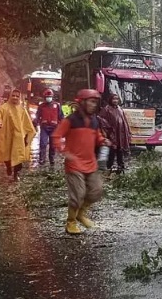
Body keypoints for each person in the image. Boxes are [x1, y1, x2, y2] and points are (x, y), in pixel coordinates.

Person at [52, 89, 111, 235]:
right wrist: (64, 152)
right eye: (91, 101)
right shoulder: (70, 120)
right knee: (78, 194)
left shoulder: (94, 121)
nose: (94, 105)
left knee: (96, 191)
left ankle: (80, 214)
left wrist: (103, 141)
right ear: (82, 102)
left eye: (95, 102)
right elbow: (56, 136)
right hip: (74, 165)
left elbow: (97, 136)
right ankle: (70, 222)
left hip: (90, 163)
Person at [0, 89, 36, 180]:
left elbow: (27, 123)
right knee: (6, 153)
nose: (15, 97)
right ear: (10, 96)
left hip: (19, 137)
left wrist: (27, 136)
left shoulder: (22, 109)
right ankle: (8, 166)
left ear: (19, 97)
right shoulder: (3, 108)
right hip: (6, 135)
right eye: (13, 95)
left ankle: (16, 173)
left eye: (17, 96)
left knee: (18, 155)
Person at [98, 94, 131, 171]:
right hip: (112, 133)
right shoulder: (106, 109)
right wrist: (108, 130)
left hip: (120, 134)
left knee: (120, 149)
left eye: (117, 99)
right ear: (110, 100)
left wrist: (127, 132)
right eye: (114, 99)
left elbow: (124, 121)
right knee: (112, 150)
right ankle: (109, 166)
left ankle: (121, 165)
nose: (115, 101)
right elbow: (101, 119)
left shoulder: (120, 109)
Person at [34, 88, 63, 165]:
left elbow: (61, 116)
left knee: (53, 145)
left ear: (52, 97)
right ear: (44, 97)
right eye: (47, 96)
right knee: (43, 143)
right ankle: (42, 159)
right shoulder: (41, 106)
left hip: (54, 128)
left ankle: (52, 159)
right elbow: (38, 115)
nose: (48, 98)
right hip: (44, 128)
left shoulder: (57, 106)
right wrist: (35, 122)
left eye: (50, 96)